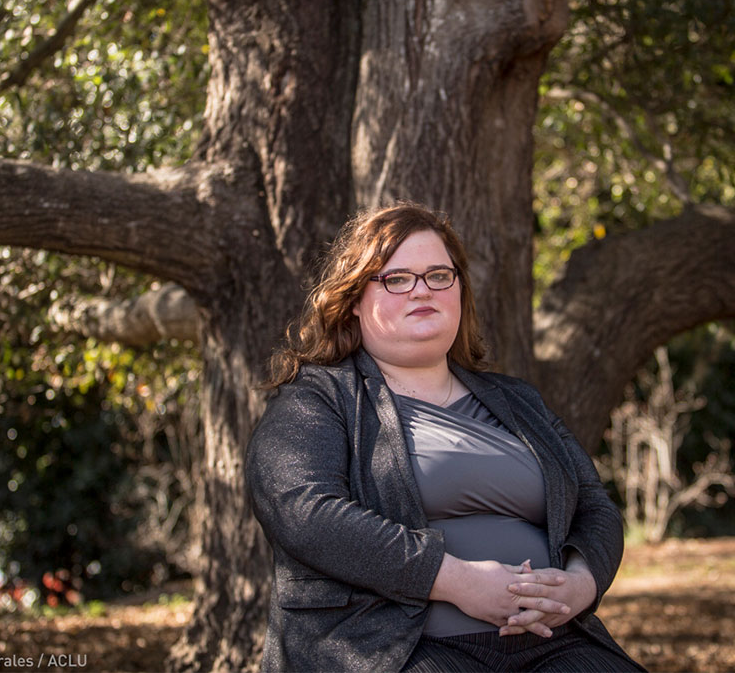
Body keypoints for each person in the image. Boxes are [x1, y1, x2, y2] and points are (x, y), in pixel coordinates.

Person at [247, 202, 645, 672]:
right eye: (396, 279)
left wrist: (581, 583)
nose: (422, 290)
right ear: (354, 300)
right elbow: (304, 513)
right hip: (397, 647)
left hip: (553, 642)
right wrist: (454, 580)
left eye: (439, 275)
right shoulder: (317, 399)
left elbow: (594, 507)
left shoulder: (518, 402)